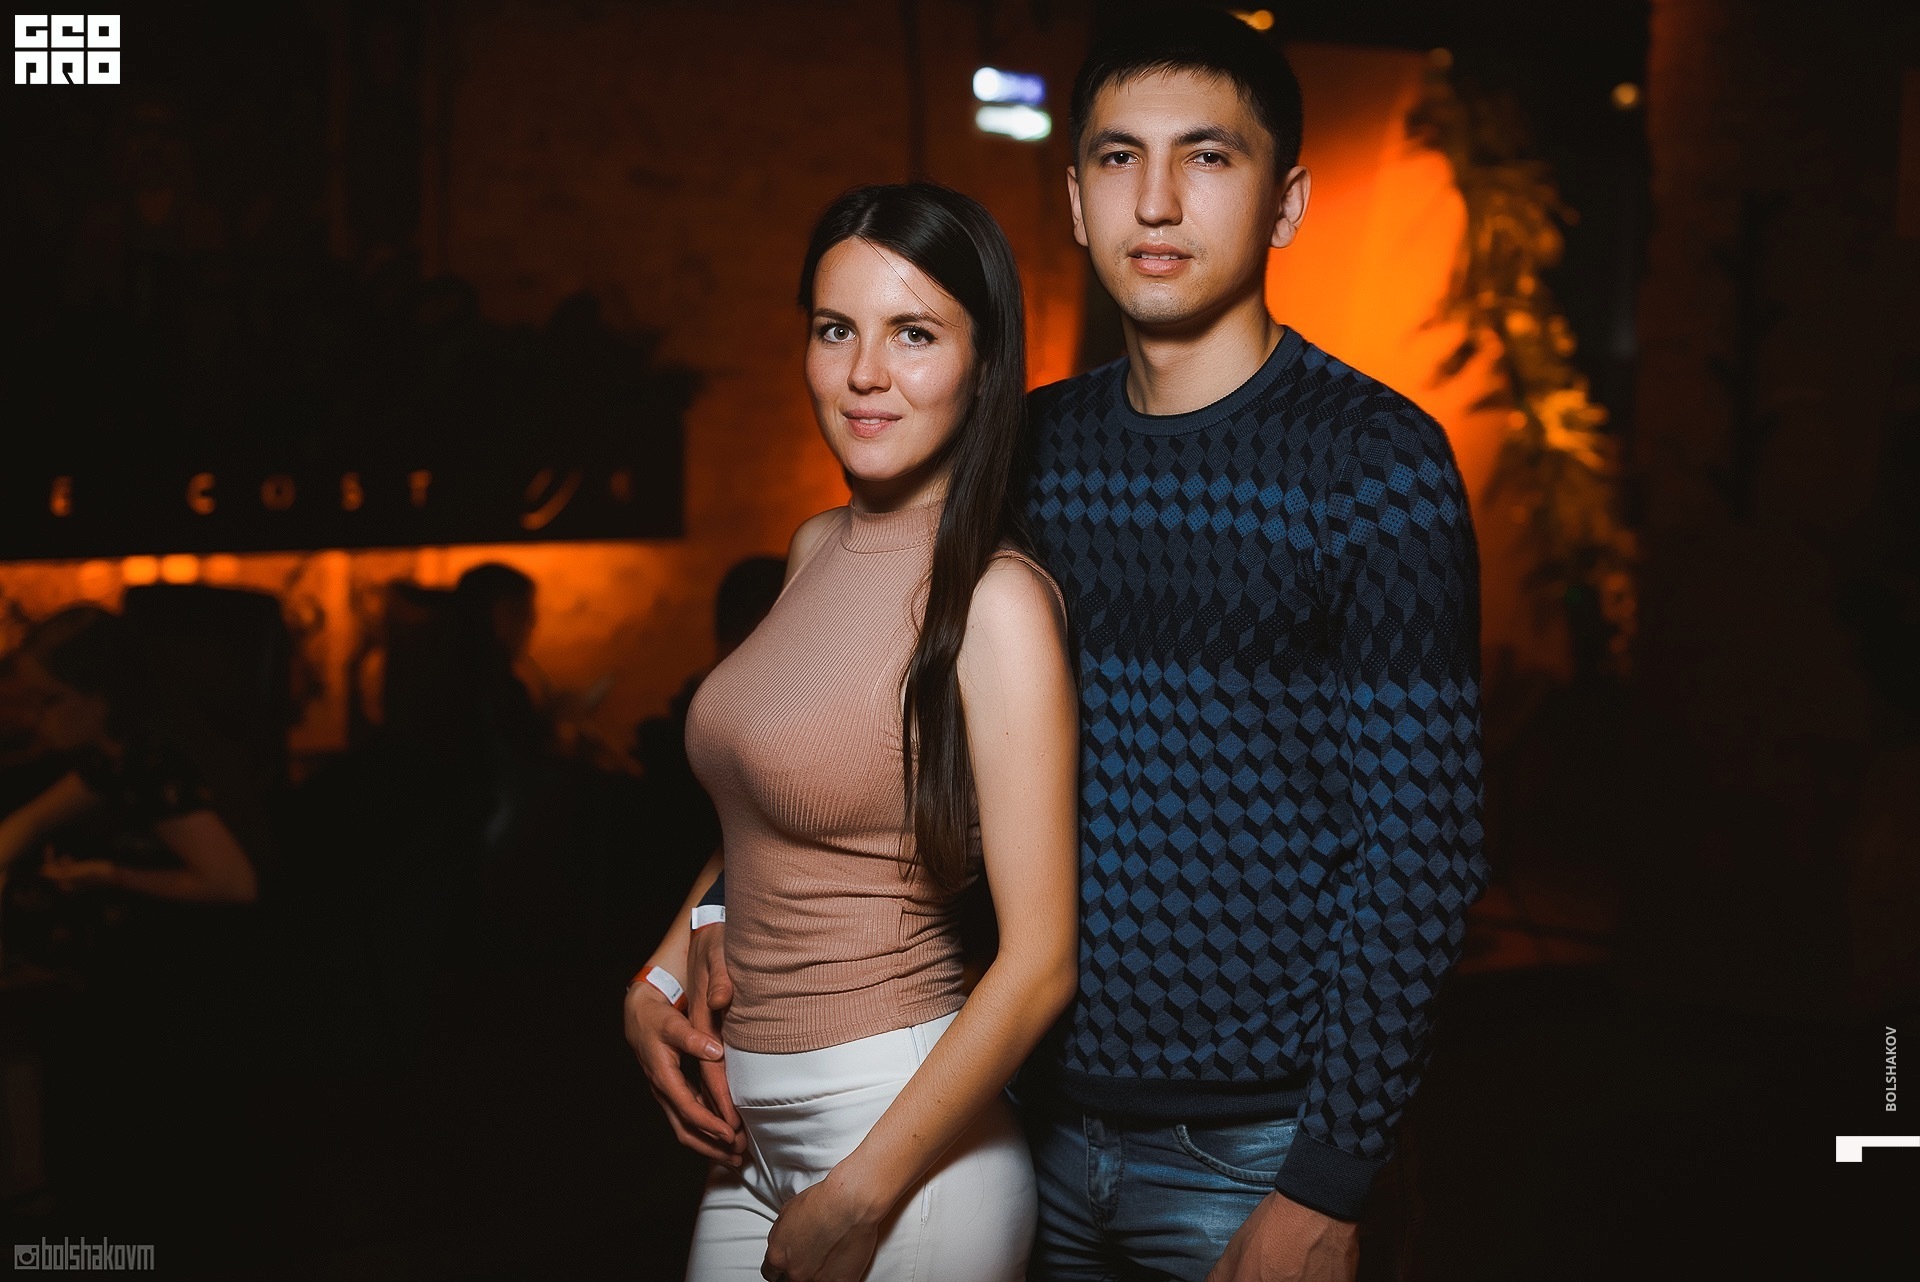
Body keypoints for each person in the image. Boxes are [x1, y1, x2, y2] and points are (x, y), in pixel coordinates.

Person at [651, 13, 1492, 1281]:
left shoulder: (1376, 465)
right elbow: (843, 721)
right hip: (1014, 1109)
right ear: (1075, 200)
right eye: (1117, 157)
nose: (1155, 200)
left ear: (1285, 202)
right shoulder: (1018, 451)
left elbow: (1422, 853)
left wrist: (1326, 1180)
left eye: (1208, 157)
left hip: (1252, 1148)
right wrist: (710, 914)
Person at [624, 182, 1080, 1282]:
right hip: (752, 1137)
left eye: (913, 334)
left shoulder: (999, 601)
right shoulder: (815, 545)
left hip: (901, 1145)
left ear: (983, 364)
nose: (864, 373)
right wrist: (657, 982)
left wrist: (862, 1193)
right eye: (836, 330)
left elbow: (1040, 964)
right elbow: (769, 814)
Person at [0, 605, 257, 903]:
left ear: (102, 693)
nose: (32, 718)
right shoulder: (112, 754)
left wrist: (114, 876)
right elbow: (33, 821)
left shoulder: (154, 764)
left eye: (48, 700)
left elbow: (233, 884)